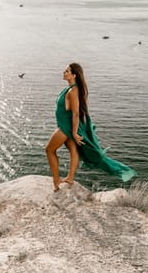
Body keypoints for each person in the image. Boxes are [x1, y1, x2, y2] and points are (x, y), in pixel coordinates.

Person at [45, 62, 137, 192]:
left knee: (49, 150)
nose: (64, 72)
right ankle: (70, 178)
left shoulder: (73, 91)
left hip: (67, 127)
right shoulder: (69, 89)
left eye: (67, 71)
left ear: (74, 75)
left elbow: (76, 113)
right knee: (73, 149)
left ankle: (56, 181)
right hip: (65, 124)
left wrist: (75, 132)